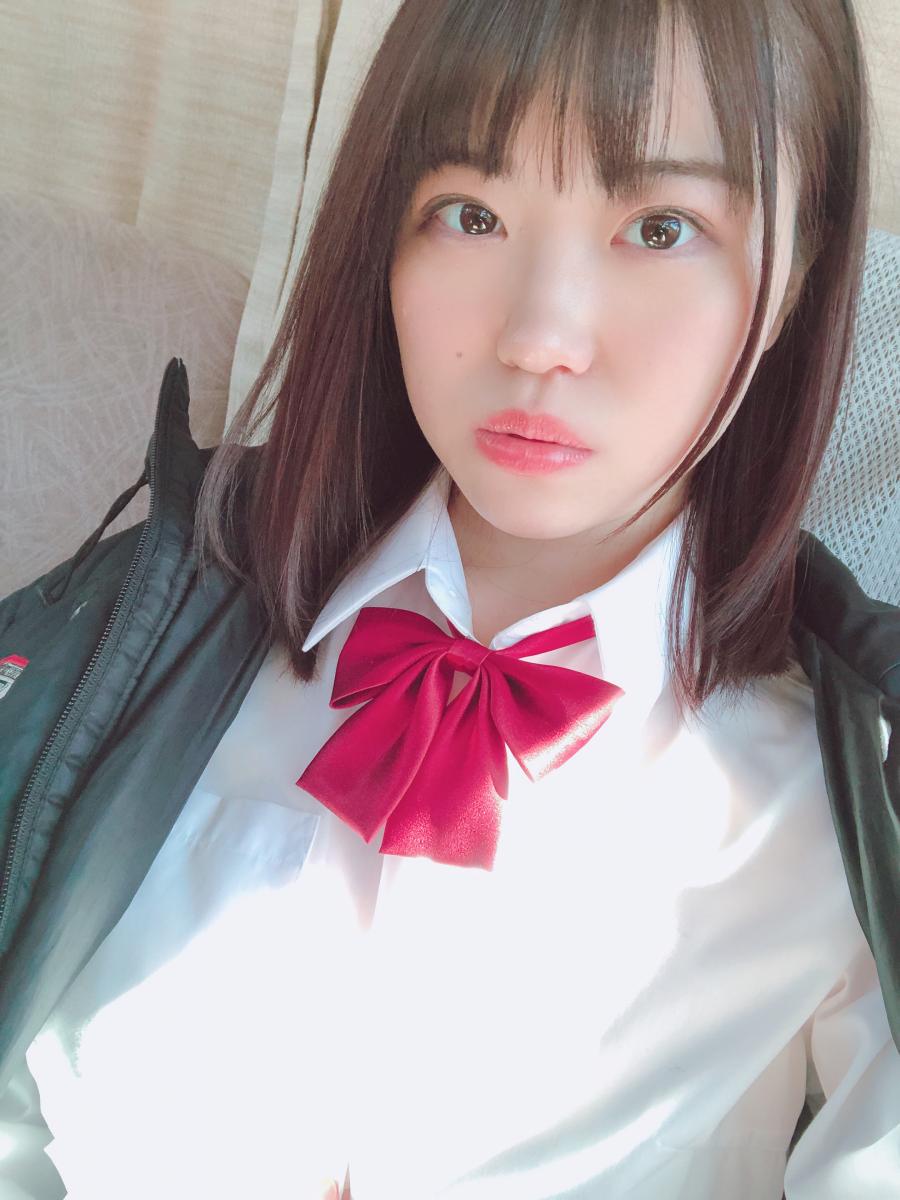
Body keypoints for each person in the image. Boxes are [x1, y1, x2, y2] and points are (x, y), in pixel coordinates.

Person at [0, 1, 898, 1197]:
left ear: (795, 275)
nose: (539, 338)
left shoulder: (851, 801)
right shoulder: (141, 627)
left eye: (660, 227)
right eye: (471, 214)